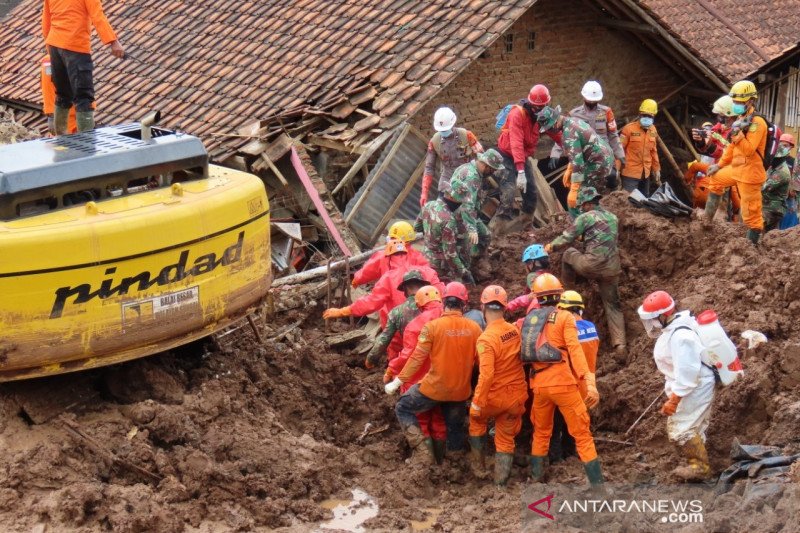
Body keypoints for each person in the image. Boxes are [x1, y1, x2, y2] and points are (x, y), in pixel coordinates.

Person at [386, 282, 482, 464]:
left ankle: (423, 455)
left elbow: (416, 359)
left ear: (444, 301)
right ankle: (453, 465)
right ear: (464, 304)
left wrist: (397, 382)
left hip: (434, 388)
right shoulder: (475, 329)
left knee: (403, 407)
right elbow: (480, 363)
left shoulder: (432, 327)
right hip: (460, 391)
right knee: (454, 427)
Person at [522, 274, 603, 487]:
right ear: (559, 296)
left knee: (541, 432)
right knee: (582, 434)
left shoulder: (527, 321)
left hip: (538, 385)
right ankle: (598, 488)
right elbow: (575, 351)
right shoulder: (564, 318)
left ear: (537, 297)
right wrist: (590, 383)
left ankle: (536, 478)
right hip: (563, 383)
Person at [637, 291, 715, 481]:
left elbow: (688, 373)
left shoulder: (681, 337)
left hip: (695, 386)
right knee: (693, 426)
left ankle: (700, 468)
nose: (651, 324)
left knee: (681, 429)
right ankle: (698, 465)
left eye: (653, 319)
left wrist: (674, 399)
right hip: (691, 386)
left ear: (663, 316)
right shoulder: (673, 329)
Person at [544, 187, 626, 354]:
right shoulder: (613, 217)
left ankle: (568, 293)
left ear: (588, 203)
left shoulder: (585, 218)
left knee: (568, 254)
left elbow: (567, 237)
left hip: (591, 266)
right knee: (613, 306)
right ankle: (620, 346)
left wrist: (551, 246)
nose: (581, 209)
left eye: (582, 206)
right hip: (612, 269)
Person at [468, 285, 528, 485]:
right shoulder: (513, 330)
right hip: (516, 396)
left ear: (483, 308)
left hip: (493, 397)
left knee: (476, 422)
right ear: (504, 308)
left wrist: (477, 403)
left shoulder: (485, 339)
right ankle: (499, 487)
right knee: (505, 438)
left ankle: (479, 471)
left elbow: (486, 375)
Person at [42, 0, 124, 134]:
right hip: (75, 46)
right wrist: (113, 42)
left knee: (62, 94)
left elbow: (46, 21)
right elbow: (98, 16)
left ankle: (61, 138)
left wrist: (51, 48)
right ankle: (86, 143)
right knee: (84, 98)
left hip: (54, 45)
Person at [385, 285, 446, 464]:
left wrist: (391, 369)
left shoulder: (415, 325)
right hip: (448, 380)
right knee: (439, 420)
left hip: (419, 381)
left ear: (419, 305)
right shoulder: (452, 319)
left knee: (421, 420)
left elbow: (407, 355)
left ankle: (427, 463)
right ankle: (442, 462)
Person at [704, 80, 768, 244]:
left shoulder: (757, 123)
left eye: (740, 102)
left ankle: (751, 247)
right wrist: (719, 165)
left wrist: (737, 134)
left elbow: (748, 150)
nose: (737, 105)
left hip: (750, 174)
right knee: (716, 178)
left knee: (750, 215)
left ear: (751, 101)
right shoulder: (741, 118)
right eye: (735, 102)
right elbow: (731, 148)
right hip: (737, 169)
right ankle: (706, 222)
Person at [323, 241, 443, 328]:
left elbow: (371, 302)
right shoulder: (427, 271)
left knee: (397, 353)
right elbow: (443, 294)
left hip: (398, 326)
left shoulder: (388, 276)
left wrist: (343, 311)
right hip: (429, 325)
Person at [495, 84, 563, 230]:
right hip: (506, 154)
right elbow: (516, 142)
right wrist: (520, 171)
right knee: (509, 192)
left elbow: (555, 132)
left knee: (531, 191)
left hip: (523, 155)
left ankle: (527, 226)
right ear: (530, 103)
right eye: (536, 107)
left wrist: (569, 146)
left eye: (542, 106)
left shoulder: (543, 114)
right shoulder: (517, 114)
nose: (539, 110)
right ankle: (498, 230)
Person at [548, 290, 599, 464]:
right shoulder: (591, 327)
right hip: (587, 385)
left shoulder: (564, 329)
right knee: (579, 426)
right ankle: (573, 454)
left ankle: (555, 458)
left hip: (567, 384)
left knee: (557, 422)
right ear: (580, 309)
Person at [536, 105, 614, 216]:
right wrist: (569, 168)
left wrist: (574, 189)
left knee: (578, 199)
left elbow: (578, 164)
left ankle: (587, 222)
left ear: (555, 123)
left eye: (549, 128)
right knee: (591, 191)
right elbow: (577, 153)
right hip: (604, 156)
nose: (550, 131)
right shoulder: (573, 120)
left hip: (597, 163)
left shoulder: (568, 135)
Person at [550, 81, 626, 190]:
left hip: (604, 157)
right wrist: (555, 153)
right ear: (584, 97)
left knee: (609, 184)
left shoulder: (606, 112)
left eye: (594, 100)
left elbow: (613, 135)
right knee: (583, 188)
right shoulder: (574, 114)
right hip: (584, 158)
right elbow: (565, 135)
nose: (591, 102)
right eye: (589, 99)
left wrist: (620, 154)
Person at [365, 269, 428, 370]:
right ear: (423, 287)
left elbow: (384, 339)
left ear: (405, 289)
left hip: (411, 360)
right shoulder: (437, 306)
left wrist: (371, 358)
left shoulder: (396, 312)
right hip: (436, 359)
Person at [420, 107, 484, 206]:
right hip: (447, 179)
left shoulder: (466, 135)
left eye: (446, 129)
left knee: (470, 209)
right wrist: (424, 192)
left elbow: (481, 157)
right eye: (442, 130)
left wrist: (478, 177)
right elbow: (429, 168)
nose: (444, 132)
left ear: (453, 124)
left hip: (468, 177)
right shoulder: (434, 142)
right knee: (442, 210)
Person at [448, 149, 504, 261]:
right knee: (466, 245)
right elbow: (467, 205)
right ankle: (467, 263)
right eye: (492, 170)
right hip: (460, 215)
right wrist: (471, 229)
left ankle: (477, 258)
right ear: (486, 166)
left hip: (466, 213)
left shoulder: (467, 167)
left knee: (486, 236)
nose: (493, 173)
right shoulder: (472, 178)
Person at [414, 194, 473, 285]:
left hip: (425, 257)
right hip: (441, 267)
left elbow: (417, 227)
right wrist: (464, 273)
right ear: (454, 200)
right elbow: (449, 253)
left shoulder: (428, 205)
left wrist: (431, 236)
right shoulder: (449, 220)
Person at [351, 222, 428, 289]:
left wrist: (356, 280)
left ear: (392, 238)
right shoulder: (418, 256)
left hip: (389, 297)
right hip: (412, 298)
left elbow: (368, 270)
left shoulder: (383, 255)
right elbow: (428, 275)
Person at [620, 99, 661, 196]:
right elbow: (619, 150)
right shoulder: (628, 129)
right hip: (630, 173)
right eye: (644, 115)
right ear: (640, 114)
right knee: (628, 200)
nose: (647, 118)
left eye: (649, 116)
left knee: (644, 200)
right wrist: (616, 169)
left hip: (645, 173)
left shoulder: (653, 129)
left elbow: (653, 151)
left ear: (653, 116)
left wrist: (656, 169)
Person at [762, 133, 793, 232]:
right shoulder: (773, 166)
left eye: (786, 145)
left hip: (774, 207)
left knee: (759, 224)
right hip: (767, 203)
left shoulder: (783, 171)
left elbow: (764, 187)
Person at [506, 244, 551, 313]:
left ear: (532, 262)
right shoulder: (551, 277)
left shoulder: (533, 277)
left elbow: (532, 296)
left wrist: (509, 305)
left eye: (528, 263)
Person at [41, 53, 77, 134]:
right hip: (65, 116)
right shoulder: (50, 61)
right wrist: (51, 114)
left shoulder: (80, 55)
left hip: (79, 114)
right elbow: (48, 87)